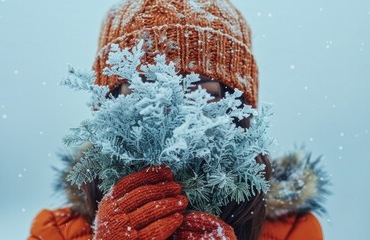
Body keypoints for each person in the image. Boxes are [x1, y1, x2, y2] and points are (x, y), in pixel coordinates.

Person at [28, 0, 326, 239]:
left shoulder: (290, 231)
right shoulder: (57, 232)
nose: (173, 115)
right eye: (144, 91)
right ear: (109, 107)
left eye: (201, 93)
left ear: (239, 111)